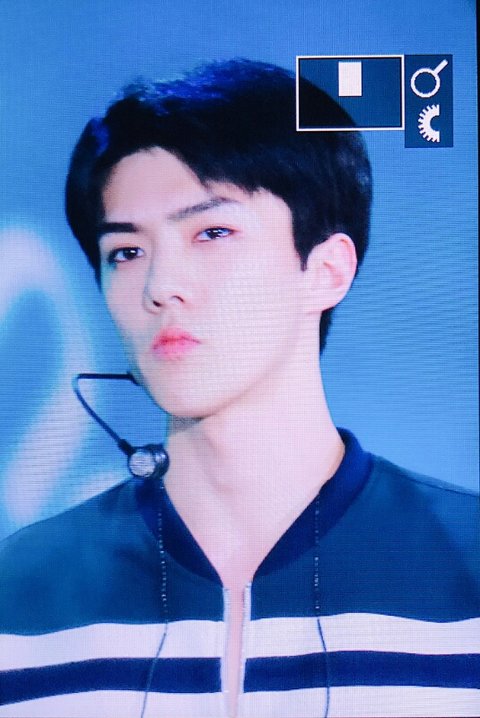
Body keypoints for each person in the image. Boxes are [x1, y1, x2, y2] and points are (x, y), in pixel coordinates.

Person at [0, 59, 478, 718]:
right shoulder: (19, 595)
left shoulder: (465, 564)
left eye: (212, 233)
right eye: (126, 252)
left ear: (327, 270)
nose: (161, 285)